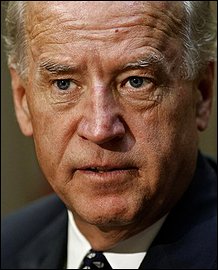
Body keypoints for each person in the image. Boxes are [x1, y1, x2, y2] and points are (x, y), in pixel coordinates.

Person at [1, 1, 217, 269]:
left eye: (136, 81)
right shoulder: (8, 246)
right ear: (22, 101)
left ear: (202, 94)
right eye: (64, 84)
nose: (100, 129)